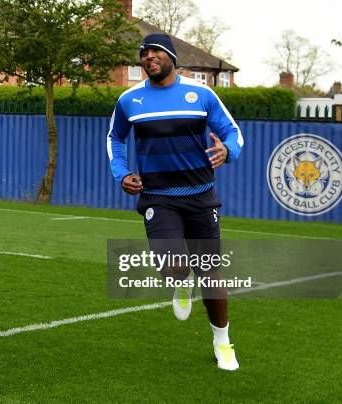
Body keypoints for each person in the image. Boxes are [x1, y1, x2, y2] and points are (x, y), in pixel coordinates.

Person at [106, 33, 243, 371]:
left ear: (171, 57)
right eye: (143, 53)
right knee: (172, 264)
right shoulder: (129, 100)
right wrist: (121, 173)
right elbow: (115, 138)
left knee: (212, 274)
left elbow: (233, 133)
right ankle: (181, 282)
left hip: (200, 195)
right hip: (157, 196)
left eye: (155, 51)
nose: (148, 57)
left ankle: (222, 342)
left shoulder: (201, 94)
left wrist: (228, 150)